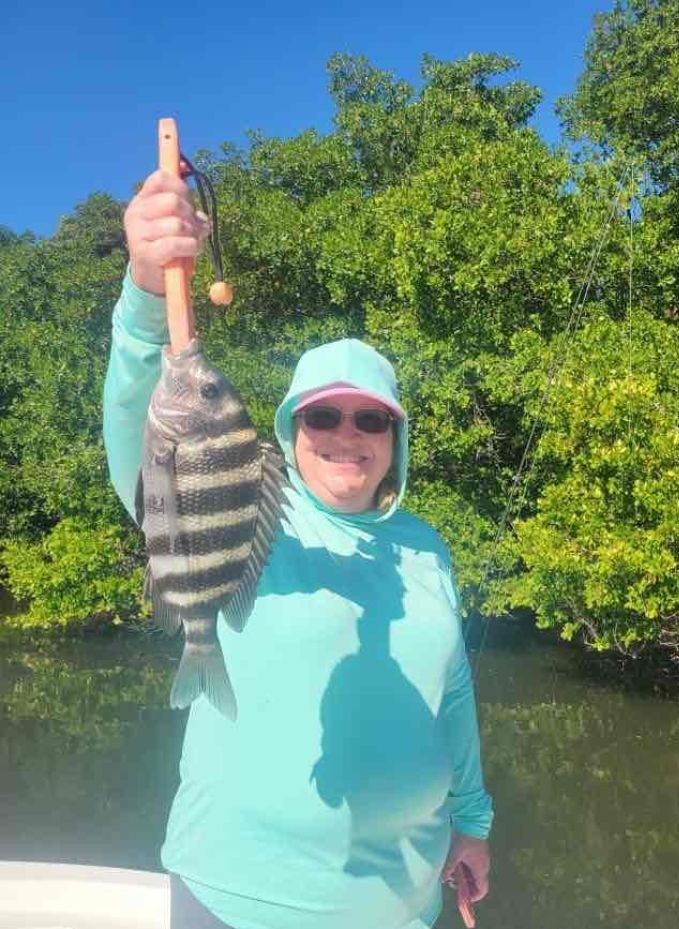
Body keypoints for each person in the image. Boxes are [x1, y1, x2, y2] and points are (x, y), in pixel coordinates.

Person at [103, 170, 494, 929]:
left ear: (395, 439)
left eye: (370, 420)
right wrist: (148, 293)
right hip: (234, 898)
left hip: (403, 902)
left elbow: (452, 694)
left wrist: (472, 820)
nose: (347, 434)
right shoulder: (254, 513)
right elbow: (134, 440)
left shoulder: (427, 549)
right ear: (290, 429)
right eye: (323, 416)